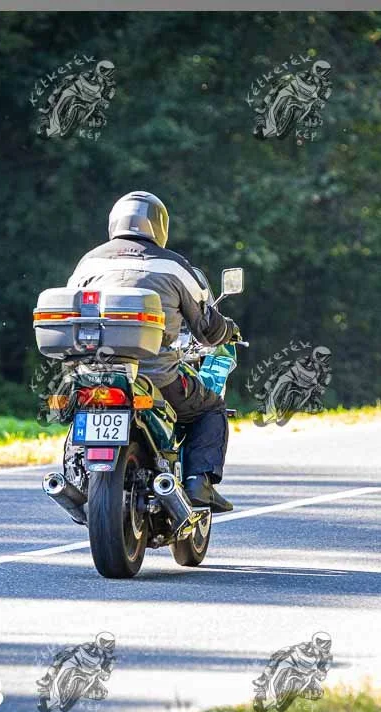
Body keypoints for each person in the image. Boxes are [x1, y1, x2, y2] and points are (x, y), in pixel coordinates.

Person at [66, 191, 240, 512]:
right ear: (159, 226)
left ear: (115, 221)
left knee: (81, 406)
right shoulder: (173, 265)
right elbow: (206, 327)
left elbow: (71, 312)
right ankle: (198, 482)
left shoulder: (88, 262)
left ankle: (75, 475)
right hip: (156, 377)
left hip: (94, 374)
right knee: (210, 408)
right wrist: (228, 329)